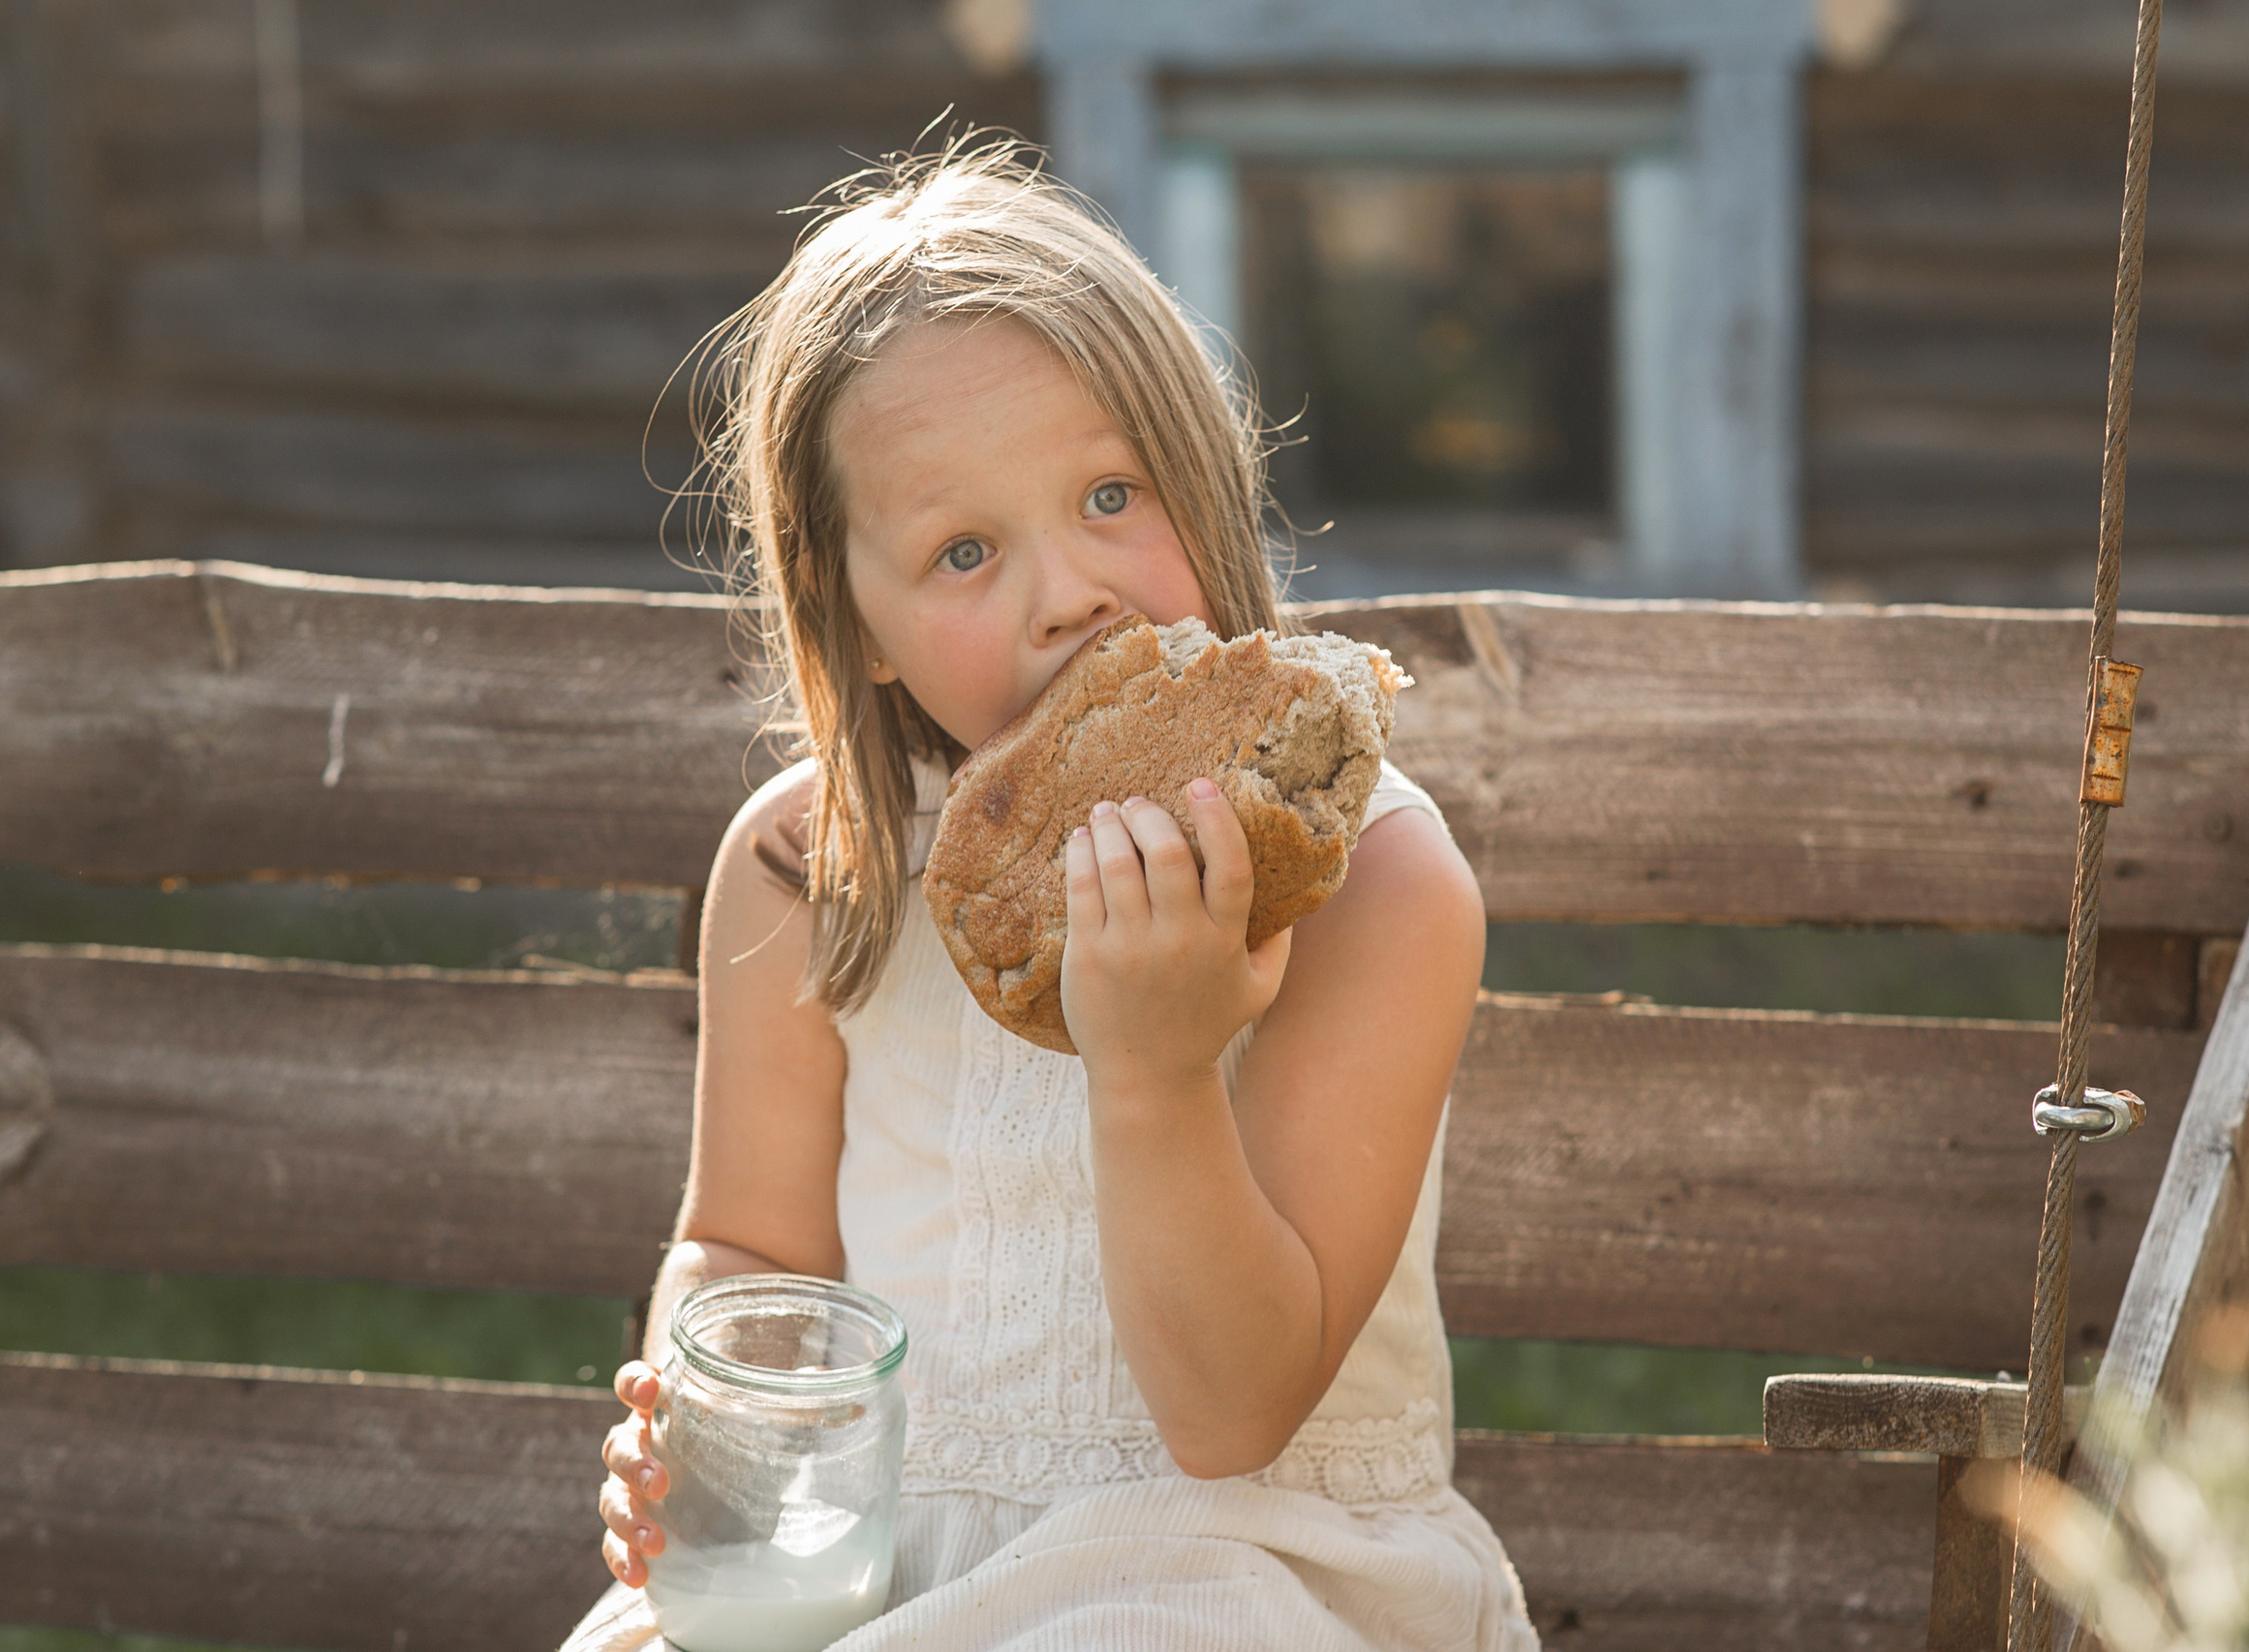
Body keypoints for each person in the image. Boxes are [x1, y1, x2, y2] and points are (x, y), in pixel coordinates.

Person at [568, 136, 1537, 1652]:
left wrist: (1153, 1063)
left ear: (1206, 485)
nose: (1067, 591)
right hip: (875, 1576)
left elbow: (1232, 1412)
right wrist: (708, 1428)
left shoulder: (1372, 880)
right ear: (856, 621)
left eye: (1109, 493)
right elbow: (750, 1246)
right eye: (962, 549)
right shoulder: (812, 868)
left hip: (1235, 1565)